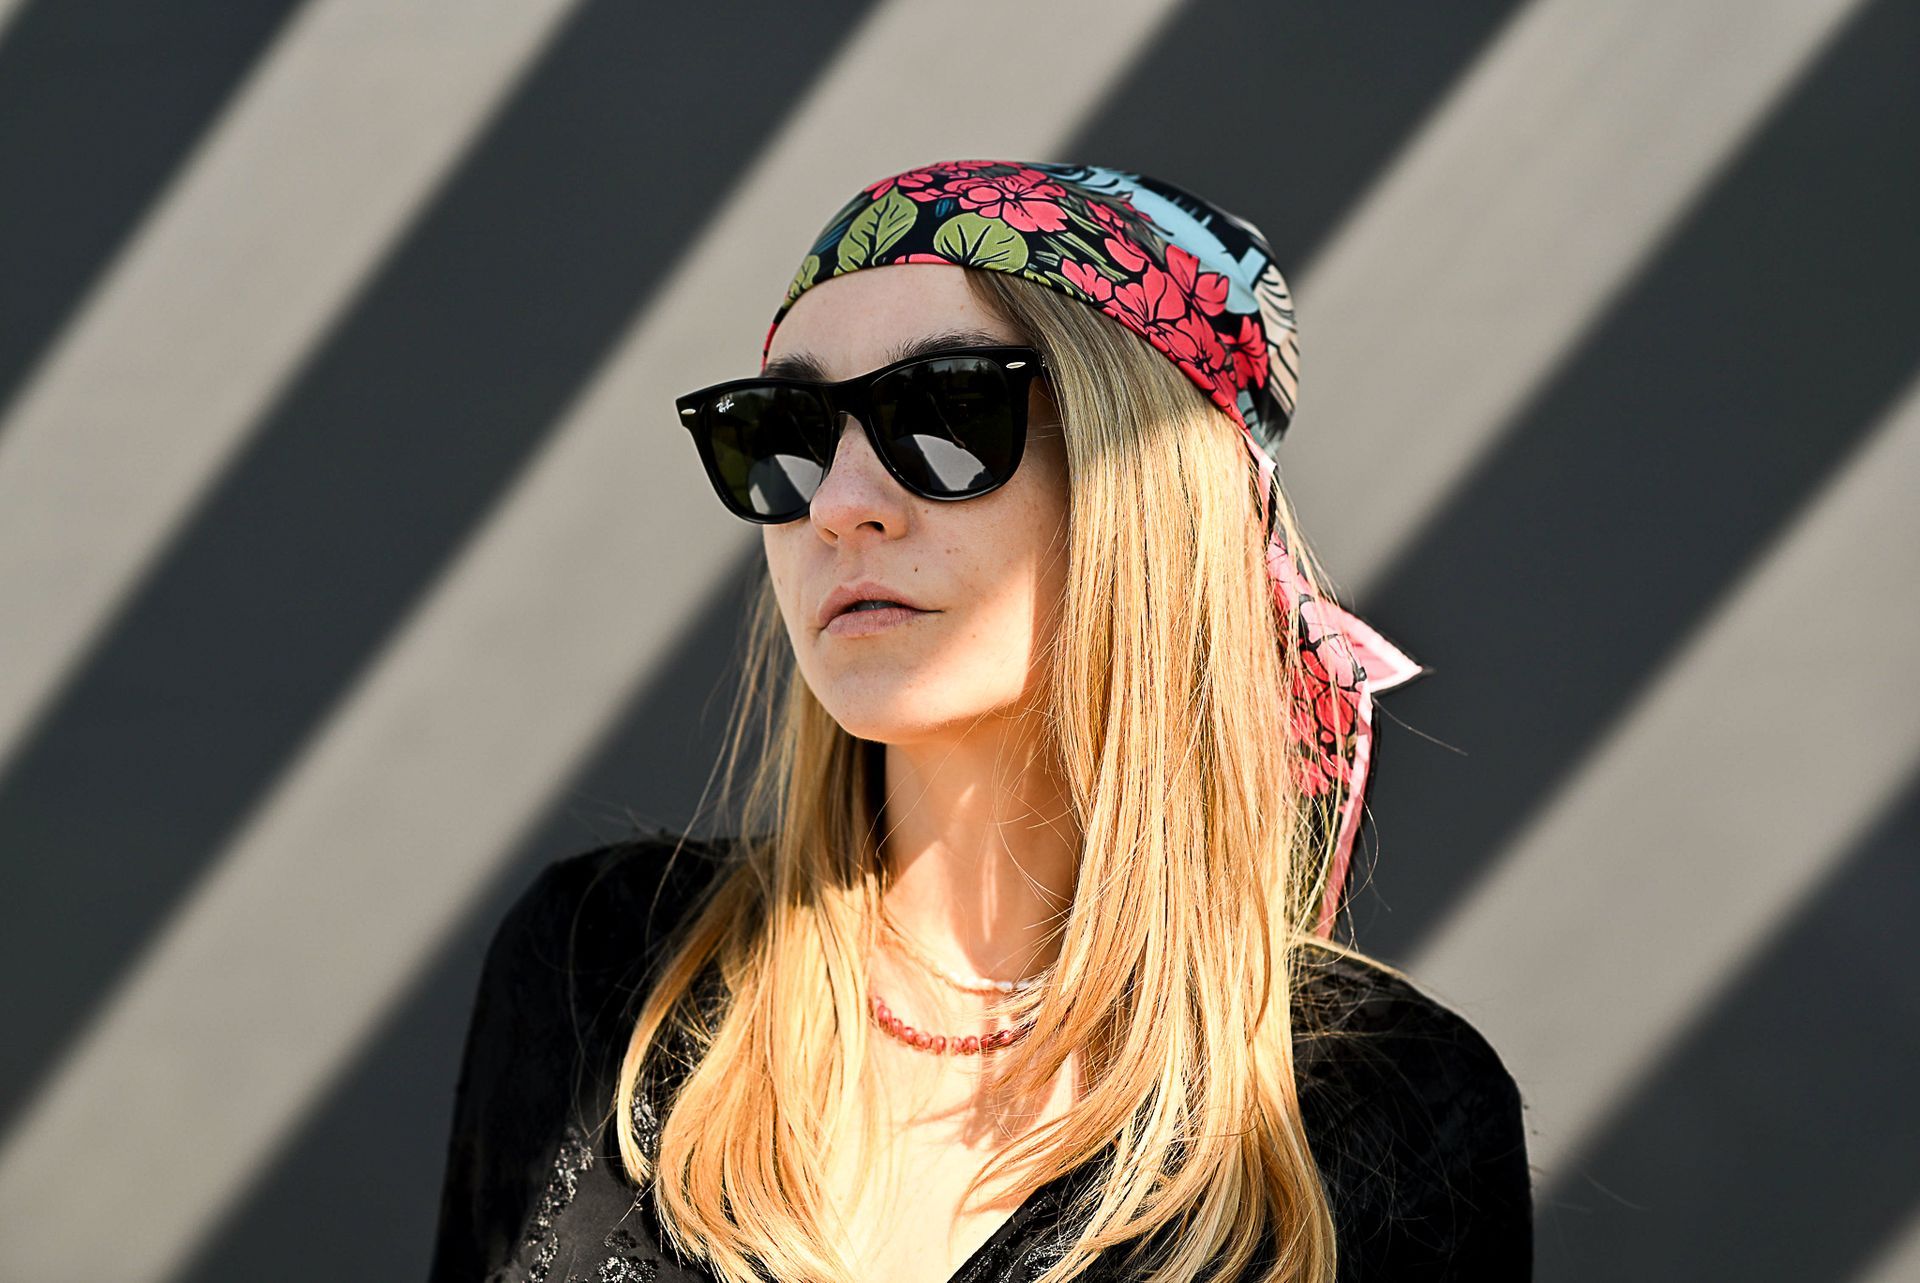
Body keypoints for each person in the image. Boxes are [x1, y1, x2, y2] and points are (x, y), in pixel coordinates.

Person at [429, 159, 1533, 1283]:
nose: (840, 502)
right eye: (789, 430)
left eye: (945, 411)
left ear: (1144, 491)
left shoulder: (1384, 1110)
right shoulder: (600, 965)